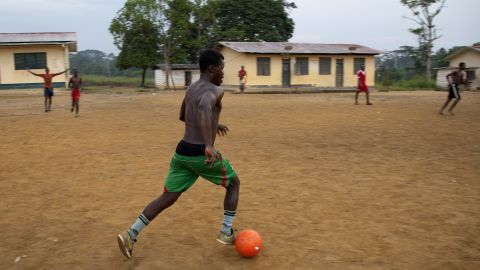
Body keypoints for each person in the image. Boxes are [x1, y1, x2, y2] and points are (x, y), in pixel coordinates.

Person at [117, 49, 241, 259]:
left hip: (182, 152)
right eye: (222, 69)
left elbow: (184, 115)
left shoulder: (191, 88)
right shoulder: (215, 90)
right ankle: (226, 231)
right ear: (211, 69)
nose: (223, 73)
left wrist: (213, 123)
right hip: (201, 154)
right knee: (234, 184)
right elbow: (203, 107)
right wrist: (208, 145)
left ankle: (130, 234)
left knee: (168, 197)